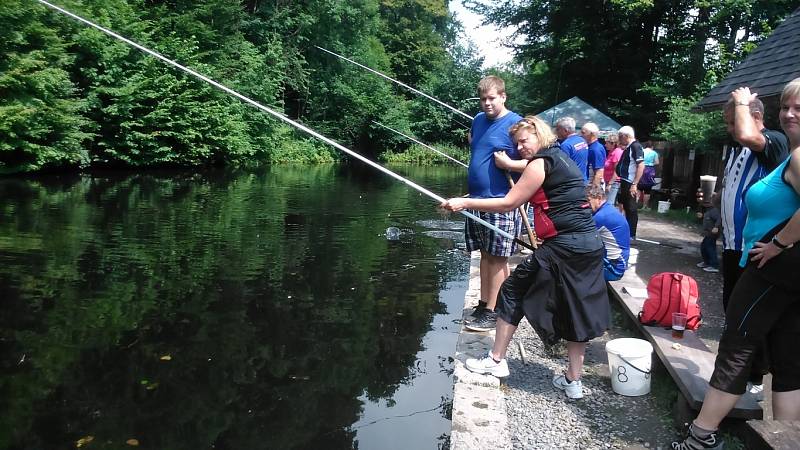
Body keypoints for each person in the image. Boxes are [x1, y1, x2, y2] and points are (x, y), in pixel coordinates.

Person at [671, 78, 800, 450]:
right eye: (786, 107)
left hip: (773, 271)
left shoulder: (796, 155)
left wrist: (779, 243)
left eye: (798, 109)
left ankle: (701, 437)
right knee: (790, 363)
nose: (788, 114)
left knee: (736, 347)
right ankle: (786, 442)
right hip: (789, 275)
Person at [441, 116, 609, 400]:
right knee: (575, 308)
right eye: (516, 143)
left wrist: (465, 202)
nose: (520, 148)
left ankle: (495, 361)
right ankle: (573, 380)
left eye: (524, 141)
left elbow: (509, 203)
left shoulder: (540, 163)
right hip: (589, 245)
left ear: (539, 135)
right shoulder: (560, 157)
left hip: (564, 247)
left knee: (511, 291)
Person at [710, 86, 790, 396]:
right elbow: (735, 187)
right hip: (733, 243)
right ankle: (745, 372)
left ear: (755, 116)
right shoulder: (737, 149)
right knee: (732, 307)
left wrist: (741, 100)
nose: (730, 129)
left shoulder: (773, 142)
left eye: (732, 121)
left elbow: (747, 135)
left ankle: (755, 375)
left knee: (747, 316)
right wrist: (716, 199)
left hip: (755, 245)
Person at [463, 75, 523, 332]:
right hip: (477, 200)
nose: (487, 103)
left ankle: (494, 310)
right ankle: (485, 302)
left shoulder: (517, 124)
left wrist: (510, 164)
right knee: (485, 256)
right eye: (483, 99)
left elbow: (537, 163)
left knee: (499, 258)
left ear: (503, 96)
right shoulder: (478, 120)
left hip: (500, 202)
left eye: (492, 98)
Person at [587, 185, 630, 281]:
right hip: (617, 263)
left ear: (598, 198)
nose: (587, 204)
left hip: (614, 269)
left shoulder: (602, 216)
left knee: (573, 268)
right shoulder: (608, 209)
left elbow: (582, 237)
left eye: (588, 200)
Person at [615, 126, 644, 239]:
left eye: (620, 137)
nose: (619, 139)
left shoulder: (636, 146)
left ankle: (632, 234)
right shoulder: (628, 147)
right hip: (624, 180)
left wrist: (635, 184)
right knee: (626, 207)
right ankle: (627, 232)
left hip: (630, 181)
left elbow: (641, 165)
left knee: (631, 208)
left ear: (625, 136)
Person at [555, 117, 589, 183]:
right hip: (582, 179)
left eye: (558, 129)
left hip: (572, 182)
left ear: (565, 130)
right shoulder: (582, 140)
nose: (556, 131)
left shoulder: (566, 145)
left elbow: (562, 168)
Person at [697, 193, 721, 273]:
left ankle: (714, 265)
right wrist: (701, 216)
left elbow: (720, 218)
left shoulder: (715, 210)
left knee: (710, 248)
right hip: (707, 233)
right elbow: (707, 219)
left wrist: (716, 227)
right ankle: (707, 262)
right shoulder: (708, 210)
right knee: (704, 247)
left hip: (712, 233)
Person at [581, 122, 606, 186]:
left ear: (592, 134)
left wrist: (593, 191)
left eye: (583, 133)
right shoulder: (591, 147)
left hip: (590, 184)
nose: (581, 135)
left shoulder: (595, 149)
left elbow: (599, 171)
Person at [603, 134, 624, 209]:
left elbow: (617, 170)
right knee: (607, 203)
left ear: (613, 143)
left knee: (609, 204)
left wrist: (610, 184)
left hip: (614, 182)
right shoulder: (611, 152)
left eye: (607, 143)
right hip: (608, 181)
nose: (605, 145)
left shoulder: (616, 153)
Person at [637, 143, 660, 209]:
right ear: (652, 147)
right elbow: (657, 162)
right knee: (647, 189)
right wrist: (651, 163)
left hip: (641, 168)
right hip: (649, 170)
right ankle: (644, 206)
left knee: (638, 188)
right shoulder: (654, 153)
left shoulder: (642, 151)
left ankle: (635, 204)